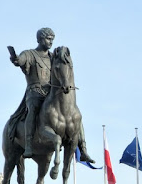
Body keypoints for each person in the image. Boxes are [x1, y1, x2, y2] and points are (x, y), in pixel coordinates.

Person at [10, 27, 94, 161]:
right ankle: (29, 145)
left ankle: (83, 149)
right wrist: (15, 59)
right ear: (40, 39)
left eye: (52, 39)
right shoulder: (30, 54)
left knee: (75, 114)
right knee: (33, 110)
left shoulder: (53, 57)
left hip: (52, 92)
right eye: (48, 39)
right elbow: (20, 61)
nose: (50, 42)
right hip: (35, 92)